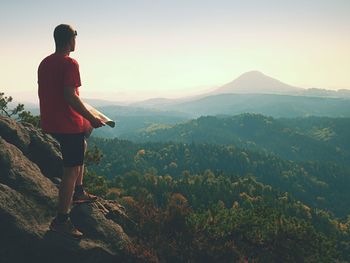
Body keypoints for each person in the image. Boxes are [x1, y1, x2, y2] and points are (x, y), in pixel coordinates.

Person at [38, 24, 105, 238]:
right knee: (71, 169)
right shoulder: (70, 63)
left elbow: (54, 93)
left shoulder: (45, 63)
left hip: (51, 121)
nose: (76, 41)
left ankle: (79, 191)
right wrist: (92, 118)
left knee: (82, 143)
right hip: (67, 124)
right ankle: (61, 220)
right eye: (76, 37)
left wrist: (86, 119)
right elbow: (70, 95)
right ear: (70, 39)